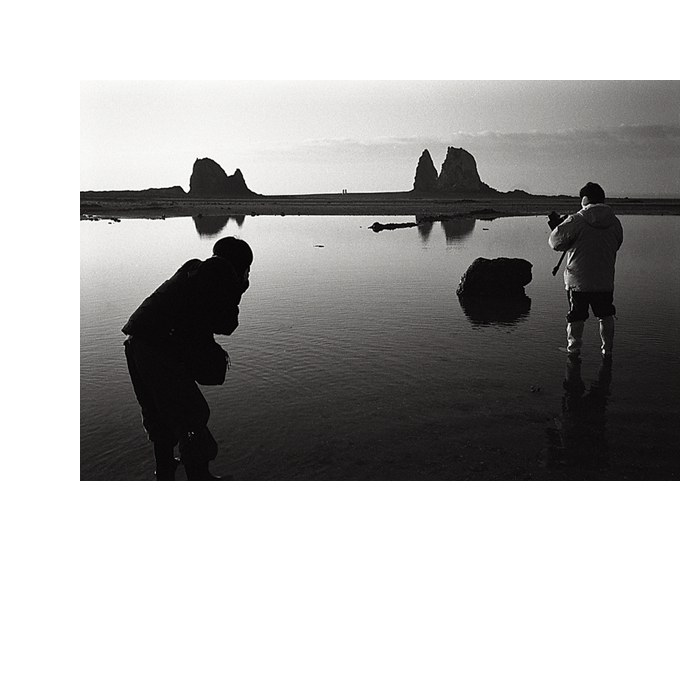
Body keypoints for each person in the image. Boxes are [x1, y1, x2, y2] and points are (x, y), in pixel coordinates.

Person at [122, 236, 253, 480]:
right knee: (192, 414)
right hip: (157, 350)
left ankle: (165, 468)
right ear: (241, 265)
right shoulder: (221, 273)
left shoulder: (193, 268)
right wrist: (239, 288)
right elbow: (226, 324)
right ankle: (199, 477)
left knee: (157, 413)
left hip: (136, 341)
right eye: (248, 270)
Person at [548, 182, 623, 357]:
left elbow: (555, 243)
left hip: (578, 280)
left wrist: (559, 227)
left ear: (585, 199)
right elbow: (617, 243)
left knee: (576, 316)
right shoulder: (615, 222)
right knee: (605, 314)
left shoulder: (576, 219)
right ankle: (607, 351)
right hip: (604, 279)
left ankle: (573, 351)